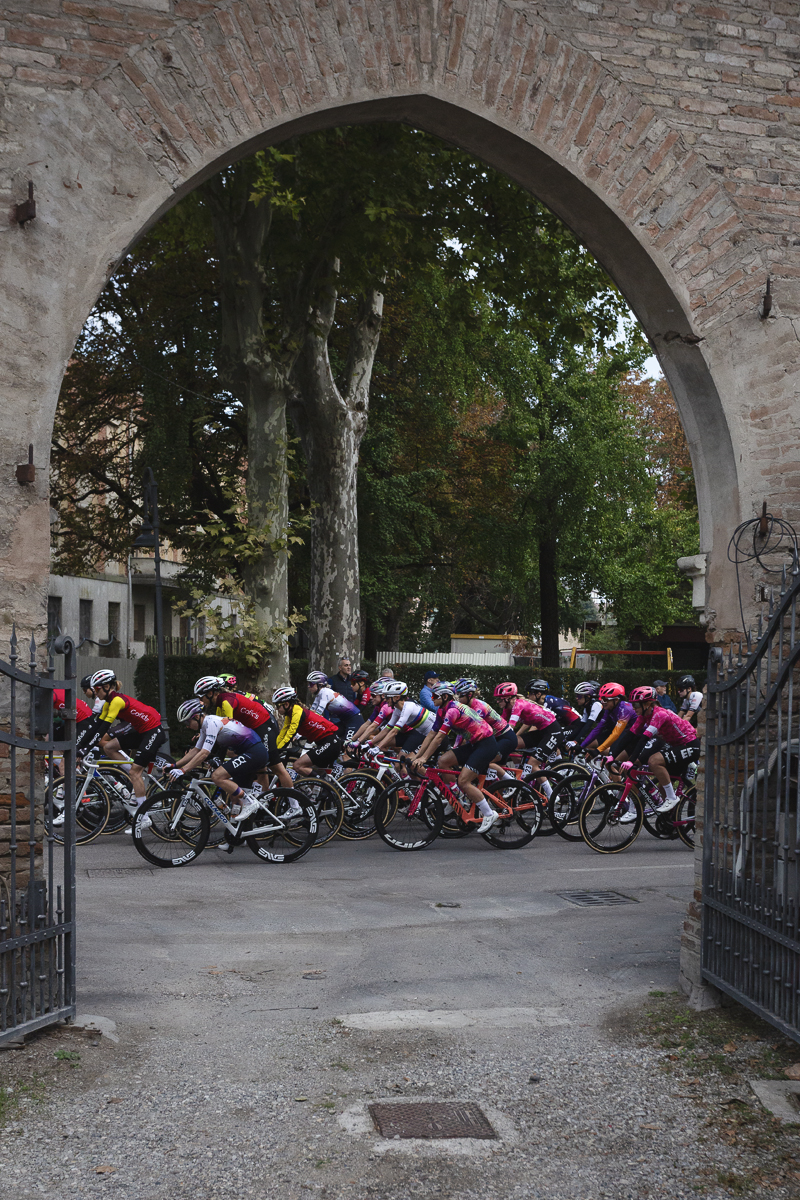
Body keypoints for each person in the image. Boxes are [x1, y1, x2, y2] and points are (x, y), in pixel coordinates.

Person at [411, 683, 499, 833]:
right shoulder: (441, 710)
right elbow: (431, 734)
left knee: (464, 781)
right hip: (475, 744)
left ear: (445, 696)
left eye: (435, 696)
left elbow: (439, 738)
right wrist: (417, 757)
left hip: (486, 744)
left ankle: (489, 814)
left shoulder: (452, 710)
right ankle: (457, 796)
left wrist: (424, 758)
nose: (431, 698)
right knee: (443, 761)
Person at [170, 698, 270, 826]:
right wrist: (175, 765)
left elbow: (204, 753)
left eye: (187, 722)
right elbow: (196, 750)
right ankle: (237, 838)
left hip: (255, 752)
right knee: (234, 795)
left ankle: (250, 802)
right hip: (248, 753)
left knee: (217, 776)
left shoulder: (211, 723)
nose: (187, 726)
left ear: (196, 717)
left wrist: (184, 770)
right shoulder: (205, 726)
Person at [615, 685, 701, 812]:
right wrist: (612, 755)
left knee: (654, 761)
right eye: (632, 705)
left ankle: (672, 798)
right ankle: (672, 822)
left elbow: (644, 738)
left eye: (637, 705)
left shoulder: (660, 713)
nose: (634, 708)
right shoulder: (644, 716)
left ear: (648, 704)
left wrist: (631, 761)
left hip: (690, 745)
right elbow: (630, 735)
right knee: (662, 788)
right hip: (677, 746)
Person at [193, 675, 288, 789]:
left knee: (276, 767)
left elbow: (228, 731)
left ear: (210, 693)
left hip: (265, 726)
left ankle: (295, 803)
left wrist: (218, 756)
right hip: (254, 728)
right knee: (257, 766)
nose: (200, 702)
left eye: (201, 697)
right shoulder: (220, 704)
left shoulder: (226, 702)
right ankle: (263, 799)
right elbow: (218, 731)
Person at [89, 670, 166, 806]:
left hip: (153, 731)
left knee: (134, 773)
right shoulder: (108, 703)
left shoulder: (117, 701)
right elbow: (97, 726)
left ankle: (144, 816)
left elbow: (104, 727)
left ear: (107, 687)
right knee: (108, 747)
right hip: (141, 731)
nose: (95, 692)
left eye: (96, 688)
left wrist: (85, 747)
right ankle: (134, 774)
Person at [272, 686, 345, 777]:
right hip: (324, 743)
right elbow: (283, 733)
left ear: (286, 704)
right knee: (310, 775)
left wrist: (276, 751)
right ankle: (322, 787)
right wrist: (275, 747)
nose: (276, 709)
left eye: (278, 705)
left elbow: (290, 734)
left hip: (330, 742)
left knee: (298, 766)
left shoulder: (297, 712)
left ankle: (323, 783)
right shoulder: (289, 714)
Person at [454, 678, 517, 767]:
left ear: (470, 695)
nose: (457, 698)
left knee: (485, 760)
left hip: (506, 738)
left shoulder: (479, 708)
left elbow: (471, 733)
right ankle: (500, 780)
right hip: (495, 738)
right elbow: (462, 732)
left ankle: (511, 781)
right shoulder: (465, 707)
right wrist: (455, 747)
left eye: (460, 695)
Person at [369, 681, 436, 761]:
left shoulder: (409, 707)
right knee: (400, 762)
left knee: (405, 762)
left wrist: (378, 747)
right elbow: (387, 729)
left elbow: (394, 731)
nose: (385, 699)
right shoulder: (397, 710)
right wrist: (370, 743)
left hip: (433, 736)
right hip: (424, 734)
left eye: (387, 697)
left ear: (397, 697)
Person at [493, 682, 560, 758]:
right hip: (541, 731)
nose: (497, 701)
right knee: (513, 744)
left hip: (552, 730)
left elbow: (510, 728)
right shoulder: (507, 708)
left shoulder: (518, 705)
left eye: (499, 699)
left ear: (508, 698)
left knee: (532, 764)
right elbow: (500, 724)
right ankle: (517, 767)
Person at [579, 683, 636, 758]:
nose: (602, 702)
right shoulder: (609, 709)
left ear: (616, 700)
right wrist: (581, 746)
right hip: (626, 732)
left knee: (613, 759)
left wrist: (598, 750)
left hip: (635, 734)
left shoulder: (625, 709)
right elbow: (598, 728)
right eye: (601, 699)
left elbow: (616, 734)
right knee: (590, 746)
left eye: (605, 699)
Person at [306, 670, 362, 738]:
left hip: (354, 720)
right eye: (308, 684)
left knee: (347, 745)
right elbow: (311, 713)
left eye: (311, 684)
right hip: (345, 721)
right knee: (330, 738)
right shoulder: (319, 694)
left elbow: (318, 714)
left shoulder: (325, 693)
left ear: (319, 684)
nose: (309, 686)